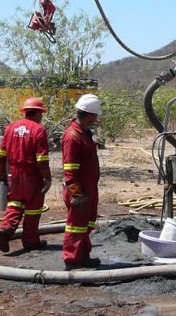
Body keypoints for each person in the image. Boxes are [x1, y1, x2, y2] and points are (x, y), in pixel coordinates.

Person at [0, 97, 52, 253]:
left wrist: (1, 174)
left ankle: (5, 229)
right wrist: (47, 178)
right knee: (33, 208)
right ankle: (31, 241)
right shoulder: (39, 130)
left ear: (25, 111)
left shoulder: (11, 128)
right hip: (32, 176)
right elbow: (42, 159)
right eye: (41, 114)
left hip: (13, 174)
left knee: (15, 204)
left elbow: (0, 155)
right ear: (38, 113)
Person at [62, 93, 102, 270]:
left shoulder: (83, 133)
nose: (96, 119)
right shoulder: (73, 136)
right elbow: (70, 170)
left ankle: (83, 256)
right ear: (90, 115)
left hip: (88, 188)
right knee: (76, 226)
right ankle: (72, 260)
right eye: (95, 116)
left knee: (86, 224)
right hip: (79, 190)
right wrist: (77, 194)